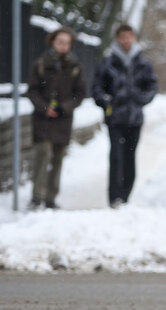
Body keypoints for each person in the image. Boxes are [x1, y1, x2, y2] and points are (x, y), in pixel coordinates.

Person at [92, 24, 158, 208]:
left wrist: (139, 99)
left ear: (134, 38)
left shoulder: (143, 63)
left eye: (129, 36)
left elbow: (152, 87)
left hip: (135, 119)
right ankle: (114, 197)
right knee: (116, 157)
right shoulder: (108, 63)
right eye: (122, 37)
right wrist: (106, 101)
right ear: (117, 39)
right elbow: (97, 88)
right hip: (115, 118)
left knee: (130, 158)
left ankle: (125, 196)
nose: (126, 40)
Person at [26, 27, 86, 210]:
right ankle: (37, 196)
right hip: (43, 118)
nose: (63, 46)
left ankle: (51, 198)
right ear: (52, 41)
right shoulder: (41, 63)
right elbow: (32, 90)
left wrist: (64, 107)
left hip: (63, 119)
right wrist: (45, 108)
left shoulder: (75, 67)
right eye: (60, 41)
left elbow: (80, 93)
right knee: (42, 154)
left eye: (67, 42)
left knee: (58, 157)